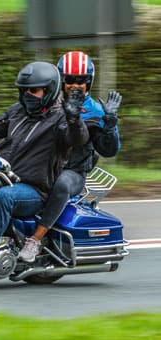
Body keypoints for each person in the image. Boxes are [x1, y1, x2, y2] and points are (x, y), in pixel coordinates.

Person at [0, 61, 90, 274]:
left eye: (34, 90)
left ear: (49, 91)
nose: (28, 94)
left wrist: (74, 118)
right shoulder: (17, 111)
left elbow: (78, 138)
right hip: (2, 175)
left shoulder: (60, 119)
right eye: (24, 90)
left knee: (5, 197)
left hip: (33, 190)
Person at [18, 51, 122, 262]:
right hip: (42, 164)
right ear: (60, 80)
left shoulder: (97, 111)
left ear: (89, 82)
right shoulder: (47, 101)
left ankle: (36, 240)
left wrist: (109, 124)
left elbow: (109, 150)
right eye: (70, 79)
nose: (75, 85)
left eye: (81, 80)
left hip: (73, 170)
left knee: (62, 184)